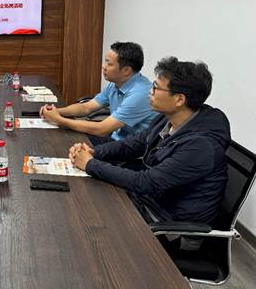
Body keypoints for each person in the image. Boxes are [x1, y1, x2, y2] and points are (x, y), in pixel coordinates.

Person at [69, 57, 230, 227]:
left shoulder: (200, 146)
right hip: (151, 201)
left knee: (86, 214)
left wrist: (90, 164)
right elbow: (134, 144)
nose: (150, 92)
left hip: (169, 223)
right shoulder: (169, 118)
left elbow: (146, 182)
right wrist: (94, 152)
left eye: (156, 88)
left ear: (179, 99)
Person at [40, 41, 155, 144]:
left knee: (67, 142)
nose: (103, 67)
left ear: (126, 70)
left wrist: (59, 120)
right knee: (62, 136)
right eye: (105, 62)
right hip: (116, 138)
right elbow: (86, 107)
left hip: (130, 149)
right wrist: (57, 111)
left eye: (109, 64)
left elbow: (101, 129)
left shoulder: (140, 94)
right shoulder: (116, 83)